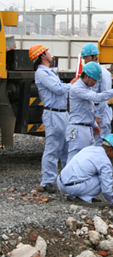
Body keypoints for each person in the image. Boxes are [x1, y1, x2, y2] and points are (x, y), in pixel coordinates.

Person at [29, 44, 77, 193]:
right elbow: (58, 89)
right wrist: (71, 85)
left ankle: (67, 179)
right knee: (53, 148)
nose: (50, 54)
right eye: (47, 52)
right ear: (42, 56)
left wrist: (69, 86)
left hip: (62, 113)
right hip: (53, 114)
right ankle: (47, 181)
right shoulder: (41, 73)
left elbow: (60, 88)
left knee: (66, 147)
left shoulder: (49, 72)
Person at [66, 61, 113, 163]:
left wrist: (94, 124)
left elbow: (87, 109)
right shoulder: (77, 88)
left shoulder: (86, 87)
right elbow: (96, 97)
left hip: (85, 128)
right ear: (86, 76)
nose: (95, 83)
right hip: (77, 129)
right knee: (74, 160)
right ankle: (68, 179)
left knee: (86, 160)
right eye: (94, 80)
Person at [57, 133, 113, 206]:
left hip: (60, 182)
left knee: (96, 176)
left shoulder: (90, 148)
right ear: (110, 150)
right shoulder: (105, 161)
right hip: (71, 188)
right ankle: (83, 198)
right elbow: (106, 188)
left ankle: (75, 195)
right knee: (101, 181)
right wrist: (112, 200)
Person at [81, 43, 113, 146]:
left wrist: (98, 116)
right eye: (84, 57)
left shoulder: (104, 73)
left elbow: (105, 96)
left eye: (87, 57)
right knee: (91, 142)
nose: (85, 60)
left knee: (101, 142)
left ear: (95, 56)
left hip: (101, 114)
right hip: (91, 112)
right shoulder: (88, 73)